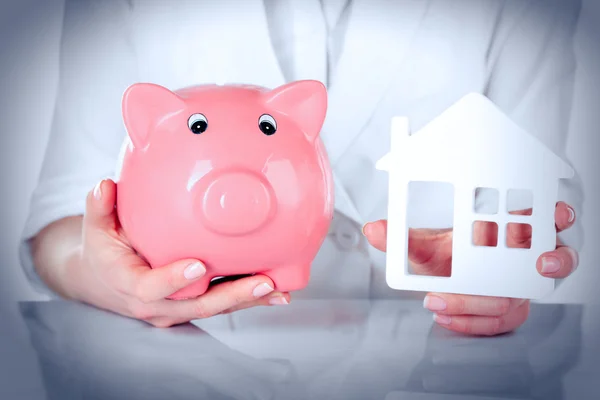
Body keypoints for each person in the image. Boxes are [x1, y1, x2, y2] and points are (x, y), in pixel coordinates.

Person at [21, 0, 583, 335]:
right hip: (180, 370)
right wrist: (104, 276)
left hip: (430, 363)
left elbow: (530, 184)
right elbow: (61, 214)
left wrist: (506, 266)